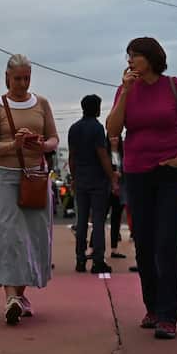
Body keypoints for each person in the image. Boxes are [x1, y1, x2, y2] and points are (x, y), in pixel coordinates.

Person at [107, 37, 177, 341]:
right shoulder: (125, 90)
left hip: (169, 173)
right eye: (128, 56)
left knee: (167, 241)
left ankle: (168, 315)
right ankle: (152, 307)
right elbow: (112, 130)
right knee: (144, 242)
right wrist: (125, 92)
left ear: (150, 58)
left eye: (135, 55)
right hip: (137, 173)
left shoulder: (174, 86)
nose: (130, 60)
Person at [0, 54, 59, 324]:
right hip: (3, 176)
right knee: (5, 235)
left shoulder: (43, 103)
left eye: (27, 77)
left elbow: (54, 138)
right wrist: (11, 146)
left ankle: (20, 294)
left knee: (34, 236)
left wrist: (43, 146)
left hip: (35, 176)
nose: (23, 83)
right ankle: (11, 296)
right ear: (7, 77)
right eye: (17, 78)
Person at [69, 94, 119, 274]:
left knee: (81, 220)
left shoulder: (74, 128)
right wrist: (111, 176)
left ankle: (80, 260)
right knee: (98, 220)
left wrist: (74, 177)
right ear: (96, 108)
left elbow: (72, 157)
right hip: (97, 179)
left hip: (81, 178)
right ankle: (98, 261)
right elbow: (102, 154)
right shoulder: (97, 128)